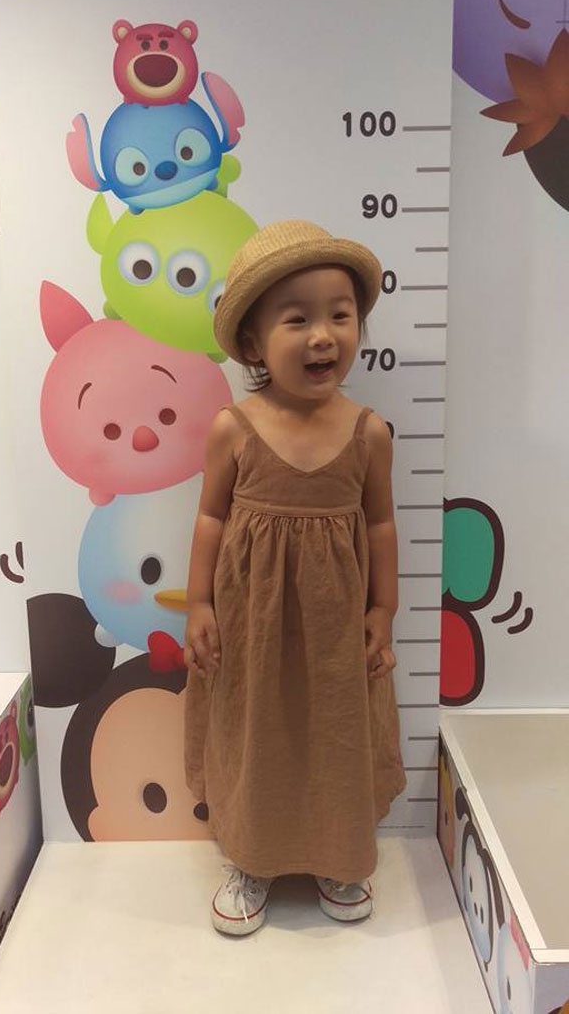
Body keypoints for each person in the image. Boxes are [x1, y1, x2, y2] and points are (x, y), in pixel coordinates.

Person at [183, 219, 406, 936]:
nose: (323, 336)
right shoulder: (234, 427)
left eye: (340, 315)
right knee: (255, 730)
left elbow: (381, 525)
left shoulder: (368, 432)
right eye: (297, 319)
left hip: (337, 626)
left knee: (336, 731)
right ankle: (252, 856)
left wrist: (383, 610)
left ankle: (340, 853)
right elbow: (210, 518)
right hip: (252, 623)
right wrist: (198, 604)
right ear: (253, 344)